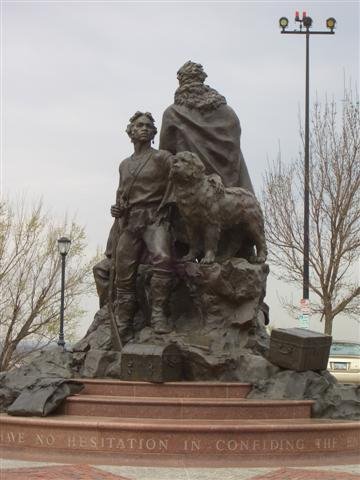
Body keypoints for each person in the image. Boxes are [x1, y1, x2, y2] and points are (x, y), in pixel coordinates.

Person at [109, 111, 174, 343]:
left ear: (154, 133)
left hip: (154, 218)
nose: (144, 128)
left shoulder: (162, 158)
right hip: (130, 221)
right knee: (122, 273)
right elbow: (121, 195)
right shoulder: (124, 165)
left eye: (148, 125)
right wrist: (116, 209)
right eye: (139, 125)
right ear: (131, 132)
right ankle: (123, 323)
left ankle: (158, 315)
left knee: (163, 258)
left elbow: (181, 177)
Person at [160, 60, 253, 191]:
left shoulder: (172, 113)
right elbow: (235, 154)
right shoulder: (227, 112)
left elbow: (165, 155)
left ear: (181, 83)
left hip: (190, 190)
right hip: (230, 190)